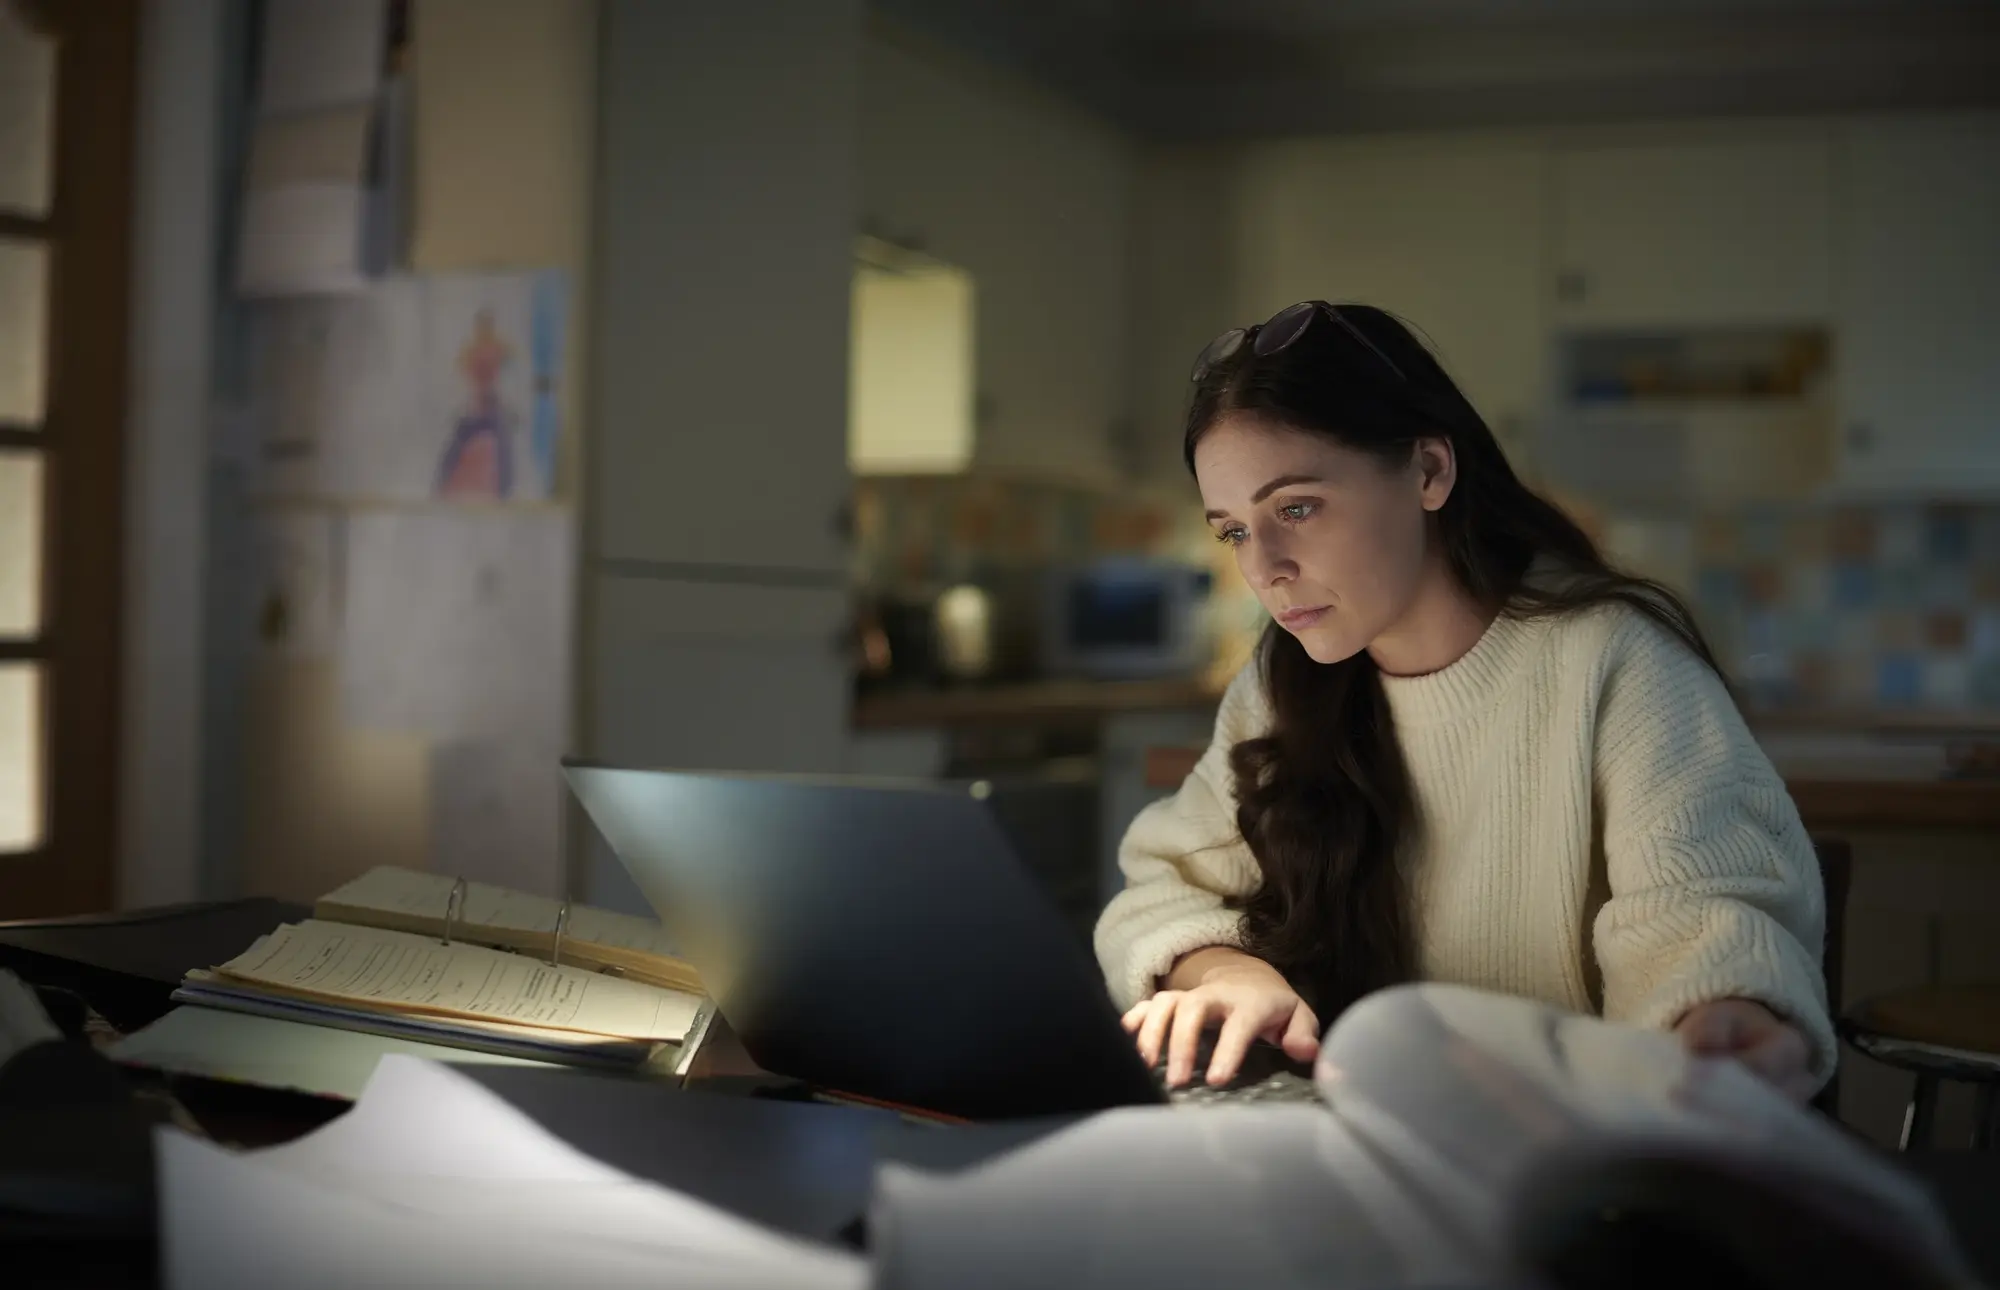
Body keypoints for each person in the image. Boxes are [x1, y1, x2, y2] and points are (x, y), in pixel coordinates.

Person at [1097, 301, 1830, 1102]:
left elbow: (1705, 913)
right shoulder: (1285, 684)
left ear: (1429, 472)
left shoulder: (1610, 660)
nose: (1264, 566)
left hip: (1583, 1151)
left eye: (1296, 508)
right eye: (1233, 530)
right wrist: (1223, 969)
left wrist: (1720, 1018)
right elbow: (1164, 885)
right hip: (1366, 1157)